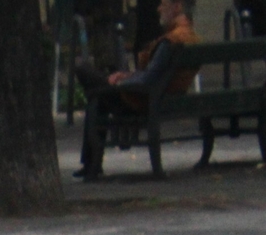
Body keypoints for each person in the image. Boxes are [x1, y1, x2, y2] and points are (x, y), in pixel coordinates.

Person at [78, 0, 199, 179]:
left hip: (142, 100)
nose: (158, 8)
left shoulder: (171, 41)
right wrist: (126, 76)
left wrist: (119, 84)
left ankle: (91, 164)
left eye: (163, 4)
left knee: (85, 73)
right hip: (160, 97)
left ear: (177, 7)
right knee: (97, 97)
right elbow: (154, 73)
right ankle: (91, 165)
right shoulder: (190, 37)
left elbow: (149, 79)